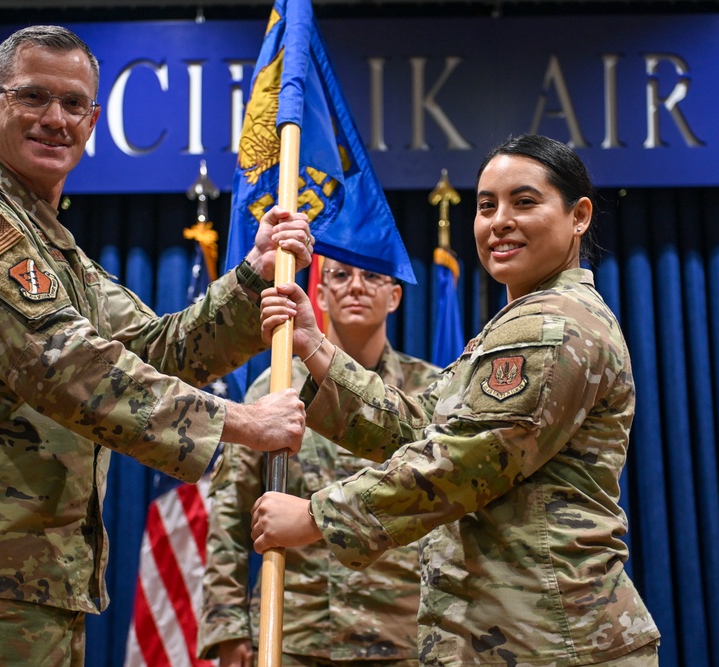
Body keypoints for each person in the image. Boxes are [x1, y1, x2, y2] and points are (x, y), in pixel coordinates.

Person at [0, 25, 312, 667]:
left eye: (74, 104)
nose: (56, 119)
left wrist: (251, 275)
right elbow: (63, 362)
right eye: (34, 98)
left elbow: (161, 352)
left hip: (41, 586)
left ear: (94, 120)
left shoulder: (58, 253)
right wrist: (242, 422)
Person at [251, 134, 662, 666]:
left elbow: (461, 462)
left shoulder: (552, 326)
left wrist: (317, 516)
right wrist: (315, 348)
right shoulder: (518, 323)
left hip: (553, 641)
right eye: (486, 206)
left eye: (525, 201)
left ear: (579, 215)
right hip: (515, 637)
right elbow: (421, 427)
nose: (499, 221)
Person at [198, 259, 441, 667]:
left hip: (401, 632)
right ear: (322, 293)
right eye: (341, 275)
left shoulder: (428, 394)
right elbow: (230, 513)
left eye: (372, 276)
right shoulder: (276, 389)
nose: (356, 287)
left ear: (395, 296)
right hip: (294, 631)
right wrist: (229, 626)